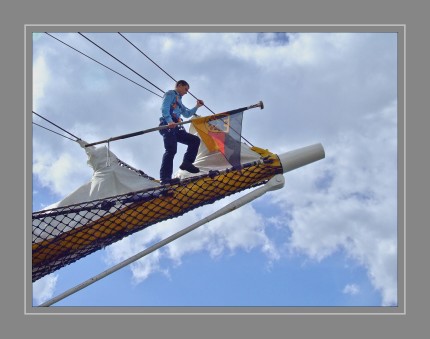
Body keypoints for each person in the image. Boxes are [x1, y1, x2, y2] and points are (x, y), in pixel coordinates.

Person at [159, 80, 204, 185]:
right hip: (168, 125)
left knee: (194, 140)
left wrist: (197, 106)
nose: (186, 92)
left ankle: (187, 162)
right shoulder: (170, 94)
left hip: (177, 127)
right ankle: (165, 179)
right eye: (185, 89)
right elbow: (164, 108)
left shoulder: (179, 101)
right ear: (179, 85)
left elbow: (187, 114)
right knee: (171, 150)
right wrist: (169, 121)